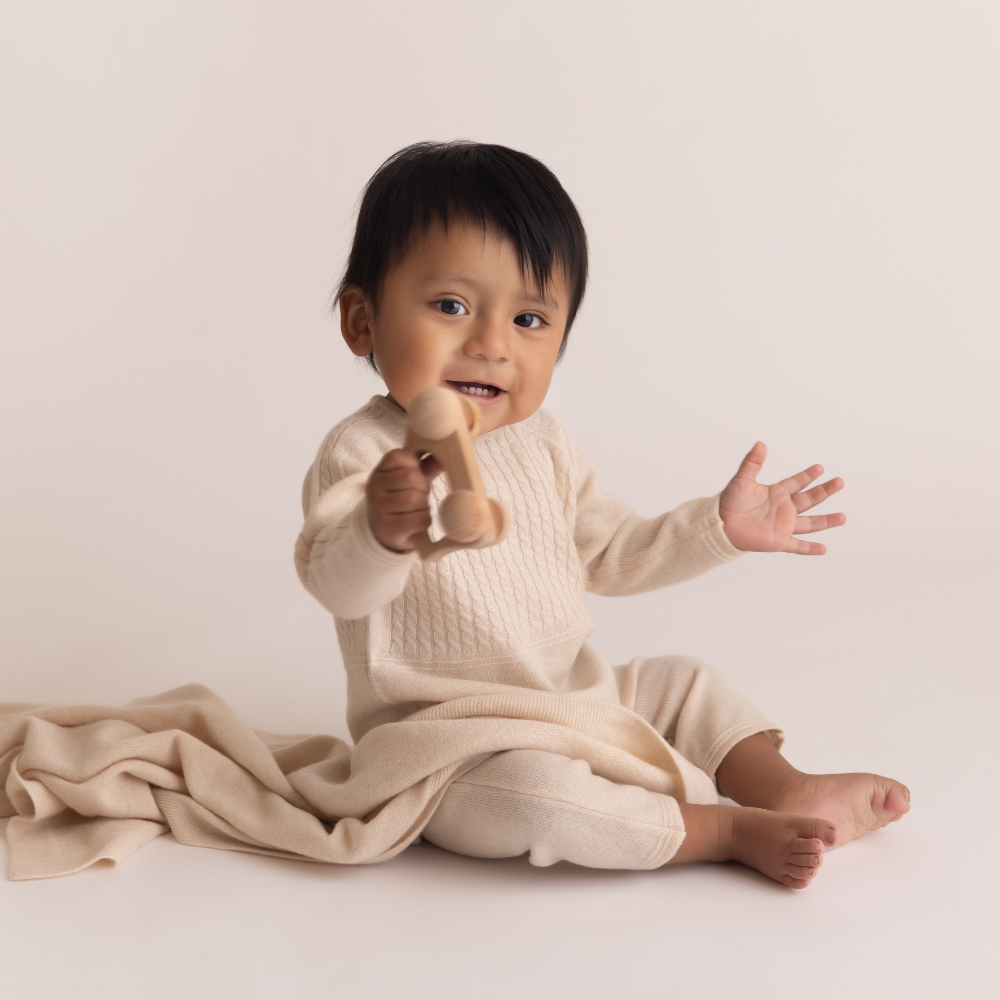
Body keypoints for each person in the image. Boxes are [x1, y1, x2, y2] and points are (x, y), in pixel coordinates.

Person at [295, 140, 909, 888]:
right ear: (361, 322)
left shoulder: (542, 442)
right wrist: (379, 533)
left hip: (569, 694)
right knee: (534, 799)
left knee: (682, 682)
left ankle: (784, 786)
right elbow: (337, 585)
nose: (490, 344)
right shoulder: (363, 454)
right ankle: (717, 828)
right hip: (445, 742)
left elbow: (613, 551)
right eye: (451, 306)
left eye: (528, 318)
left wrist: (716, 528)